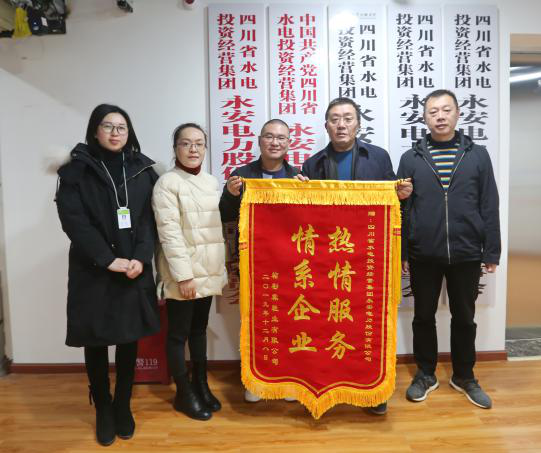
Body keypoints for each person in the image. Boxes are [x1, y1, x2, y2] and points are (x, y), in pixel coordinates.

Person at [300, 97, 413, 416]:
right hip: (328, 259)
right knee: (329, 322)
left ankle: (372, 391)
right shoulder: (313, 164)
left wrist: (401, 195)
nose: (341, 124)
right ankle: (329, 383)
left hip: (369, 257)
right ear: (326, 125)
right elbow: (305, 218)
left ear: (358, 124)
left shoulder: (378, 157)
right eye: (334, 119)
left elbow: (392, 204)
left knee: (368, 323)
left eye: (348, 118)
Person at [55, 104, 160, 446]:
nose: (115, 133)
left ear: (129, 132)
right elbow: (74, 220)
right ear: (95, 131)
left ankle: (122, 404)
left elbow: (149, 219)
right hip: (93, 269)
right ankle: (102, 405)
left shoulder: (142, 169)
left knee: (129, 338)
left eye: (121, 127)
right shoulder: (76, 170)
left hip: (133, 268)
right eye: (108, 126)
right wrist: (107, 259)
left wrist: (140, 257)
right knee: (96, 339)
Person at [397, 89, 500, 409]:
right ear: (424, 117)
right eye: (432, 112)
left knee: (465, 317)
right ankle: (425, 374)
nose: (440, 117)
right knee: (423, 316)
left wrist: (492, 251)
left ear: (457, 113)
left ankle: (464, 376)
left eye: (445, 110)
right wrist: (403, 252)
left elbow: (489, 203)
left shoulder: (477, 155)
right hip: (423, 252)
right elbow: (402, 209)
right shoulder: (411, 158)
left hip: (466, 251)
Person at [219, 118, 298, 403]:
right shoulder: (241, 175)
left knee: (289, 322)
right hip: (253, 264)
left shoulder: (298, 177)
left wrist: (306, 194)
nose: (275, 142)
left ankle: (288, 380)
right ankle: (255, 380)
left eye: (281, 138)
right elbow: (225, 215)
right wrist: (231, 195)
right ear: (260, 140)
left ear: (288, 143)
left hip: (290, 265)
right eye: (269, 136)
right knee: (254, 322)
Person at [152, 123, 227, 421]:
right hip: (183, 274)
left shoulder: (210, 181)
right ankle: (183, 393)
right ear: (175, 149)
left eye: (199, 143)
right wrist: (184, 276)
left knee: (198, 330)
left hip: (207, 271)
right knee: (178, 334)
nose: (193, 149)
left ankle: (201, 385)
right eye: (186, 143)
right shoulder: (167, 184)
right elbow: (169, 234)